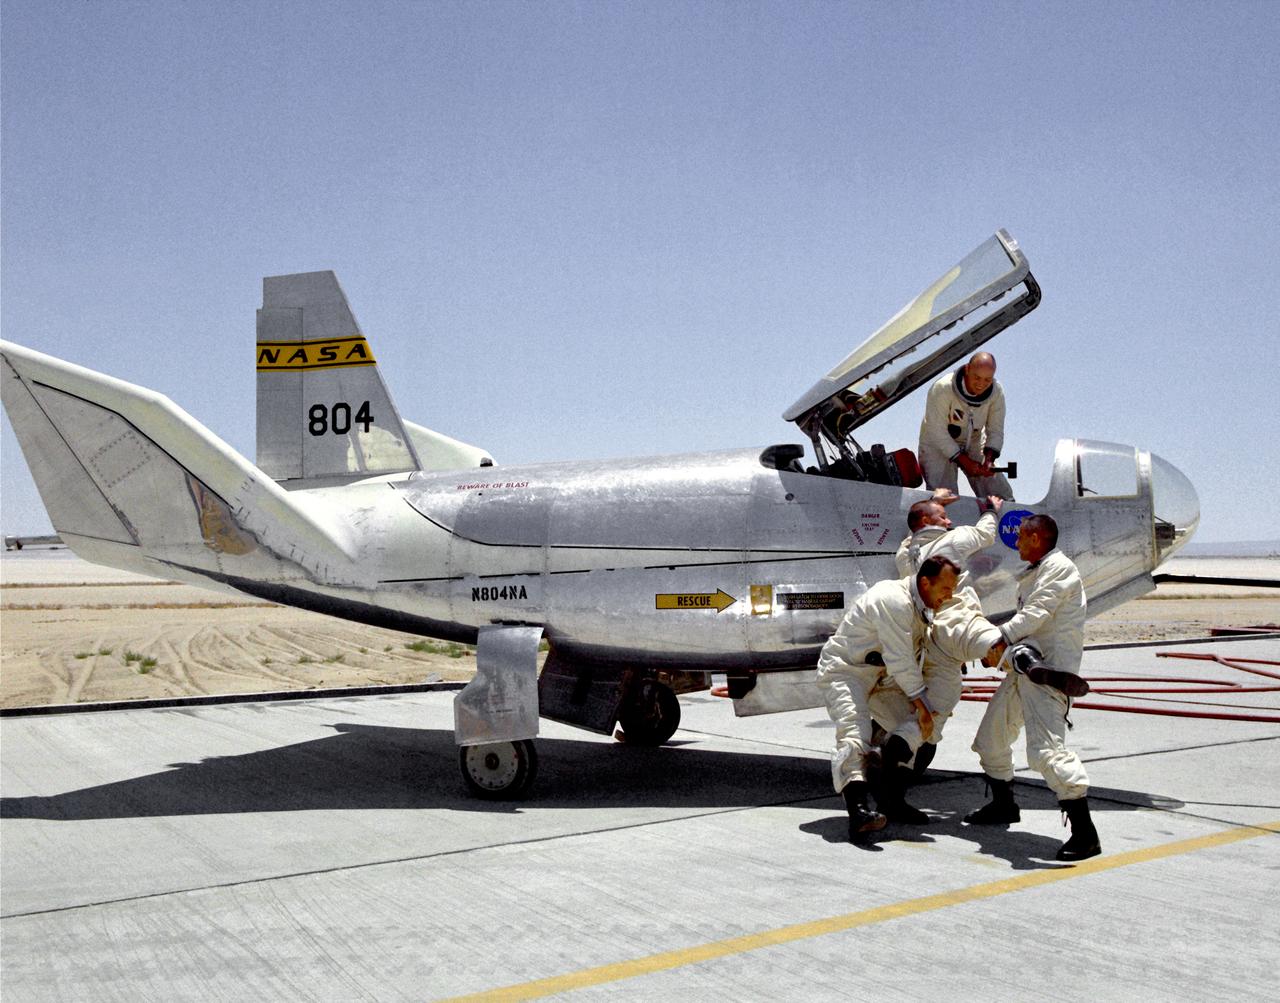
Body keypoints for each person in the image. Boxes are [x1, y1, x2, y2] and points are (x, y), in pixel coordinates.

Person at [964, 513, 1101, 861]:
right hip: (1024, 668)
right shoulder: (1038, 570)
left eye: (1022, 538)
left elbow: (1036, 615)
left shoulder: (1060, 569)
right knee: (990, 741)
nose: (1017, 543)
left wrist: (998, 639)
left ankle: (1086, 834)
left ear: (1037, 538)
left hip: (1049, 674)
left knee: (1046, 753)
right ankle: (1003, 806)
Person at [816, 557, 961, 839]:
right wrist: (923, 706)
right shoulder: (893, 599)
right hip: (847, 671)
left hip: (882, 678)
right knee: (855, 734)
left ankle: (892, 801)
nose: (949, 595)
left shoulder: (921, 605)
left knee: (918, 735)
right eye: (945, 588)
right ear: (924, 583)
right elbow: (900, 659)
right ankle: (859, 811)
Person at [894, 490, 1004, 774]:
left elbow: (914, 532)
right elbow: (985, 536)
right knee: (994, 642)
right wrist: (991, 510)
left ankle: (906, 742)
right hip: (957, 620)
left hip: (930, 633)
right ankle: (1023, 660)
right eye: (943, 516)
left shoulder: (906, 554)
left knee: (939, 698)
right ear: (927, 520)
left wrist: (933, 503)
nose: (949, 520)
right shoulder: (953, 539)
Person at [918, 352, 1013, 500]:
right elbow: (937, 431)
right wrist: (965, 461)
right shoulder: (943, 388)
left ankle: (1005, 520)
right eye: (977, 377)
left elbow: (995, 430)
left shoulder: (996, 393)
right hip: (938, 442)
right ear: (967, 369)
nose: (981, 384)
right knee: (944, 497)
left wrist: (989, 460)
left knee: (998, 492)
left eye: (987, 379)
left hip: (974, 438)